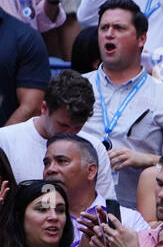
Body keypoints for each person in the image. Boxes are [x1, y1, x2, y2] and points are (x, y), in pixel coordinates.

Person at [79, 0, 163, 208]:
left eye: (119, 28)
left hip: (136, 213)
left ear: (141, 39)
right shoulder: (77, 87)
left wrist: (146, 159)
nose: (109, 34)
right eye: (104, 27)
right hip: (76, 210)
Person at [0, 68, 113, 199]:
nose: (70, 133)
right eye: (63, 125)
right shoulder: (5, 140)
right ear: (44, 108)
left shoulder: (94, 148)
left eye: (77, 127)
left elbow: (107, 205)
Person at [46, 133, 149, 247]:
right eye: (47, 163)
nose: (50, 169)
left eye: (62, 161)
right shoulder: (38, 220)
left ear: (91, 171)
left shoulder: (128, 220)